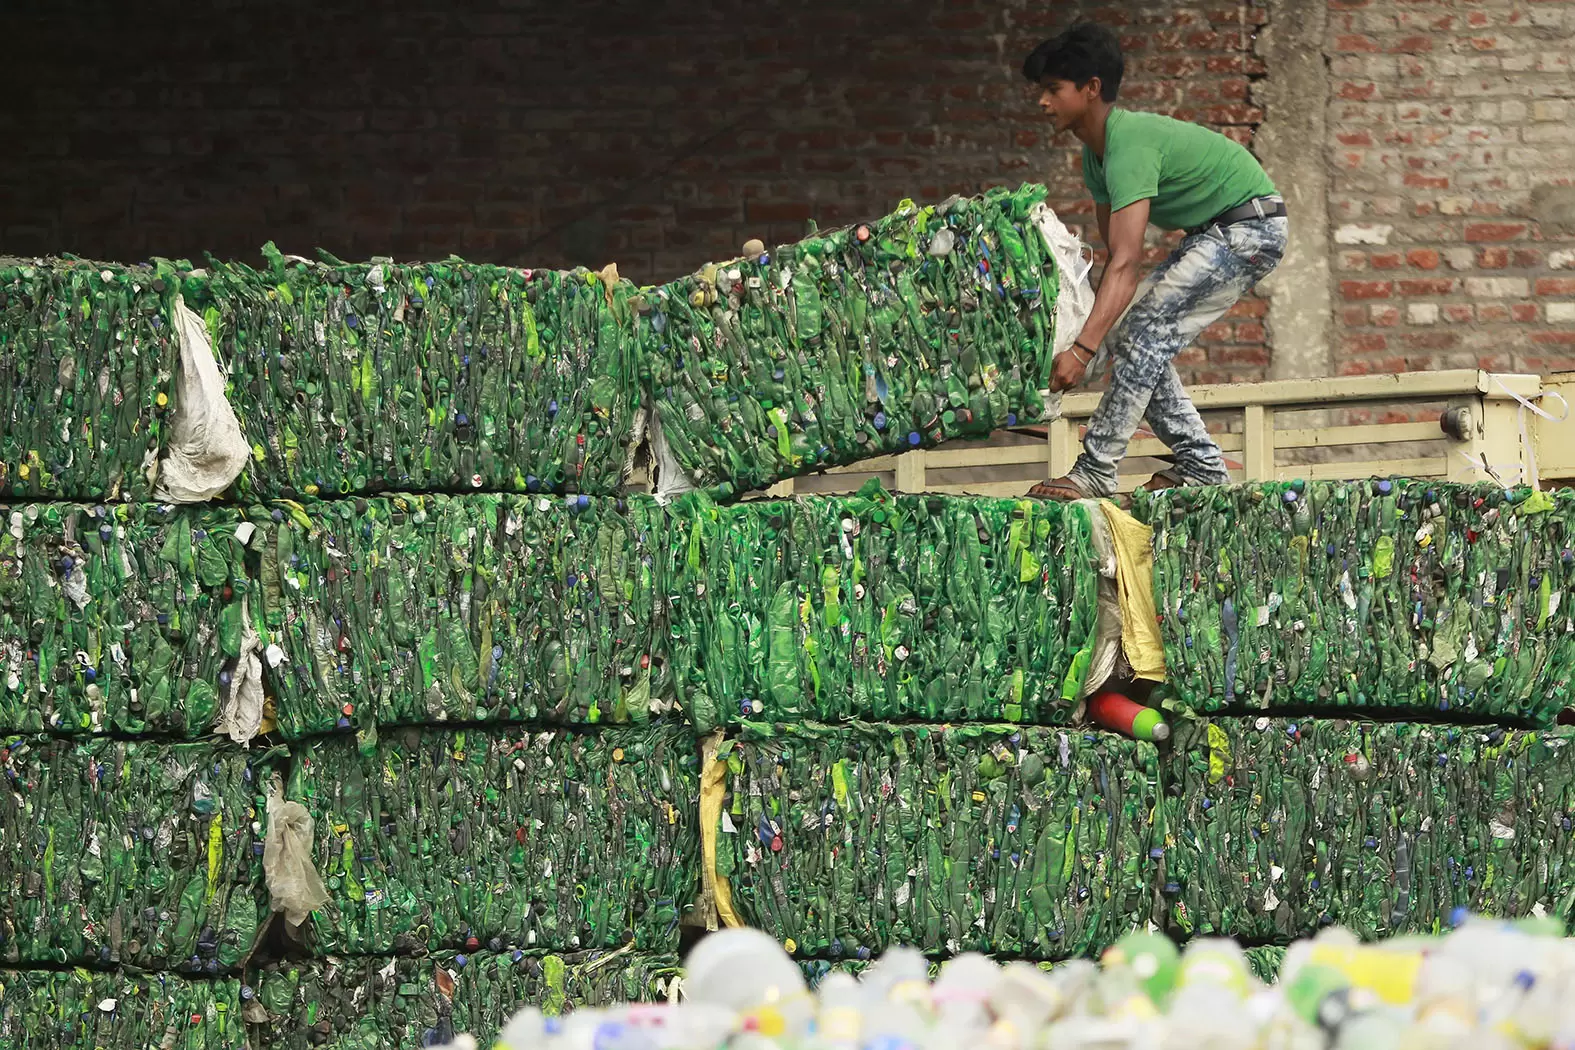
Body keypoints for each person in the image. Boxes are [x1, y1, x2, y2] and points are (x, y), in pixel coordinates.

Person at [1020, 22, 1289, 501]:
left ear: (1091, 88)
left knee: (1142, 333)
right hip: (1216, 233)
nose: (1041, 102)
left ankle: (1097, 470)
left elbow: (1126, 265)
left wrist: (1082, 351)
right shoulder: (1095, 157)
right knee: (1135, 335)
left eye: (1052, 89)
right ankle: (1202, 465)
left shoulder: (1129, 145)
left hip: (1251, 227)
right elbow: (1114, 264)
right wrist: (1090, 339)